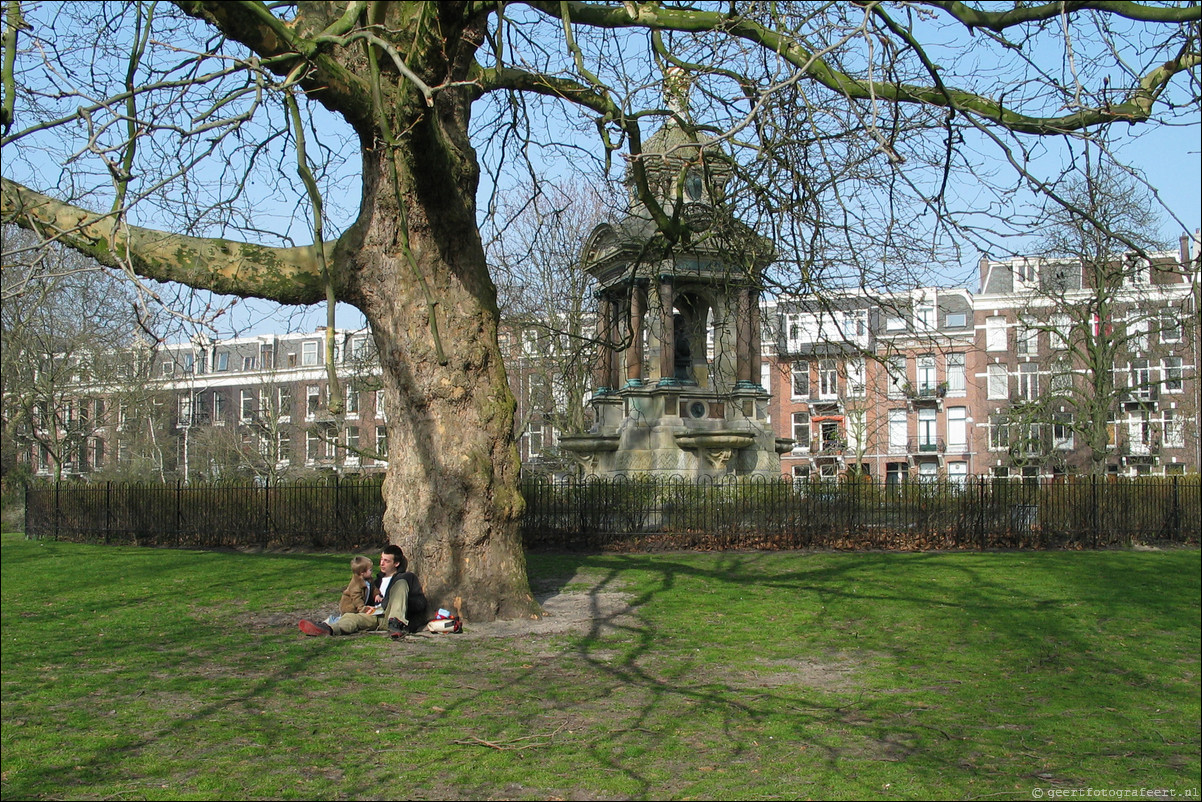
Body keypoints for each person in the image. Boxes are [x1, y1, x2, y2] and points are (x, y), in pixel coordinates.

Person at [299, 545, 412, 640]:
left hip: (389, 615)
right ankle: (328, 628)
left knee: (401, 583)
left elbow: (419, 602)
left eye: (386, 561)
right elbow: (358, 594)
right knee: (351, 618)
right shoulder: (375, 580)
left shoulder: (405, 578)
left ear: (396, 564)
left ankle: (396, 624)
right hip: (373, 616)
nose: (381, 563)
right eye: (381, 559)